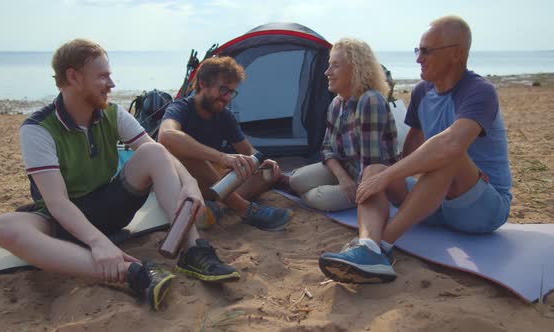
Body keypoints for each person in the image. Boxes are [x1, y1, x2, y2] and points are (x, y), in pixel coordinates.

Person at [0, 39, 240, 312]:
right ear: (73, 76)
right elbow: (57, 202)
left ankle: (194, 251)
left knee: (153, 151)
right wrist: (98, 243)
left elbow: (157, 151)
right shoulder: (37, 128)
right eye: (102, 76)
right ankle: (133, 274)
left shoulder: (112, 113)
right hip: (62, 221)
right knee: (5, 228)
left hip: (109, 208)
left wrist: (190, 183)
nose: (111, 84)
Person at [319, 15, 513, 284]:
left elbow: (452, 144)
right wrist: (386, 176)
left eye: (426, 51)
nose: (418, 58)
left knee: (448, 155)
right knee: (375, 167)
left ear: (457, 54)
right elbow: (411, 146)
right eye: (417, 50)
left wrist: (387, 178)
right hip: (437, 205)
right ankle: (367, 246)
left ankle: (383, 247)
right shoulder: (422, 91)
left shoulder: (480, 91)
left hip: (482, 207)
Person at [158, 56, 293, 231]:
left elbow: (248, 151)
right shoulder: (181, 108)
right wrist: (222, 157)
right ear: (203, 83)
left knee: (265, 173)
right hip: (180, 182)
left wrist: (262, 161)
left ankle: (218, 207)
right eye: (223, 90)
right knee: (192, 155)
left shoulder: (224, 115)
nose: (227, 97)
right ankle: (245, 209)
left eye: (231, 92)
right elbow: (166, 136)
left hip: (212, 184)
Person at [289, 38, 400, 211]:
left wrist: (355, 188)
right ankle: (314, 194)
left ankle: (315, 196)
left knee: (320, 197)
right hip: (346, 168)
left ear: (356, 69)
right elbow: (326, 148)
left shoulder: (370, 101)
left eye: (335, 66)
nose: (327, 72)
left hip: (372, 179)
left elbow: (372, 165)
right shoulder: (337, 104)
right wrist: (342, 177)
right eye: (329, 65)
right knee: (295, 180)